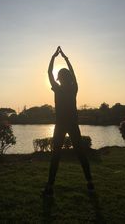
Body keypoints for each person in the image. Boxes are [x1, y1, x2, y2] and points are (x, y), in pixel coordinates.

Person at [43, 46, 94, 197]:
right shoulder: (73, 89)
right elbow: (74, 74)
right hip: (73, 125)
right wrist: (65, 58)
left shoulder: (58, 89)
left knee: (56, 156)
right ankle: (90, 183)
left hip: (60, 126)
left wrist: (53, 57)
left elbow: (48, 73)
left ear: (59, 79)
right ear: (70, 79)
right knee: (81, 153)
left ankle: (50, 187)